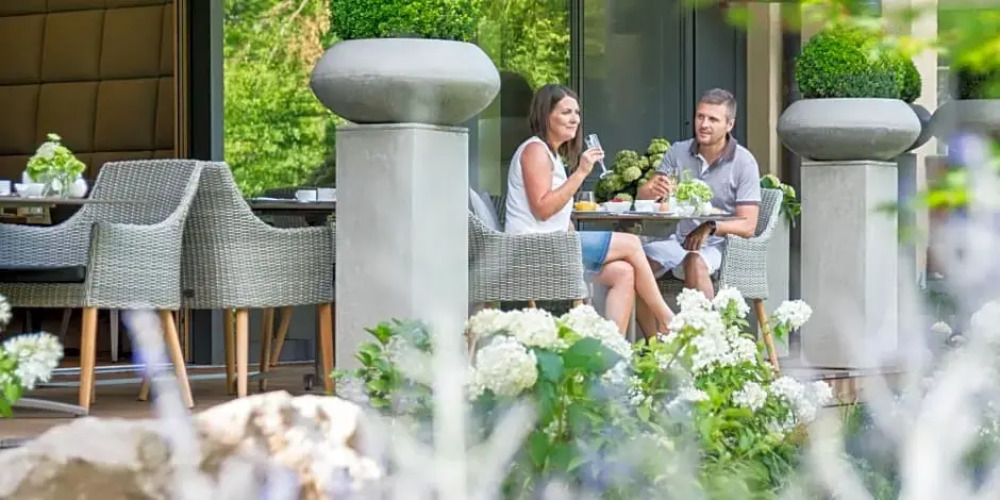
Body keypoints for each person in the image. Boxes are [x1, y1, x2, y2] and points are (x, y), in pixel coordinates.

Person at [505, 84, 675, 336]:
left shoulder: (551, 154)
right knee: (631, 243)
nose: (574, 119)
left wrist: (569, 226)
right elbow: (542, 209)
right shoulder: (535, 151)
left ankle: (610, 348)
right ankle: (668, 319)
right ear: (545, 115)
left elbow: (557, 215)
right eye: (566, 112)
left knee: (624, 272)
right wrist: (582, 172)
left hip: (554, 244)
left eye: (577, 112)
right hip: (534, 250)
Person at [635, 88, 761, 312]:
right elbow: (643, 196)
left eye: (713, 119)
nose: (704, 124)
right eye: (700, 116)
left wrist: (710, 227)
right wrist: (653, 190)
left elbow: (748, 225)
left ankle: (704, 332)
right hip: (679, 241)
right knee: (634, 265)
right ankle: (659, 334)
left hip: (721, 246)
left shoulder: (744, 162)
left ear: (729, 125)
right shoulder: (678, 151)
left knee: (694, 261)